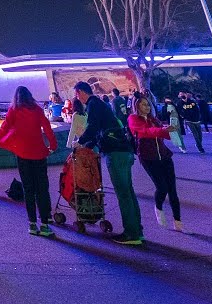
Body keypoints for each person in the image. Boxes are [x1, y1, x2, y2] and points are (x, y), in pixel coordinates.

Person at [76, 81, 142, 245]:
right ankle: (137, 230)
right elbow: (99, 129)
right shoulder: (100, 104)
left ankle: (131, 234)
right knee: (128, 191)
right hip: (124, 150)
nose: (77, 98)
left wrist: (80, 141)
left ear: (81, 92)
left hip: (115, 152)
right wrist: (89, 144)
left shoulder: (92, 104)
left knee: (123, 193)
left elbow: (93, 127)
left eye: (77, 94)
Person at [0, 86, 59, 238]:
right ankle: (45, 224)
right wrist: (53, 146)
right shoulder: (37, 110)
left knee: (28, 189)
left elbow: (4, 128)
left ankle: (32, 224)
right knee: (42, 189)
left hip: (23, 155)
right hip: (39, 154)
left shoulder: (13, 111)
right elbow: (47, 128)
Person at [128, 95, 182, 231]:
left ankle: (178, 222)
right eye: (143, 104)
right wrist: (162, 130)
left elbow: (162, 134)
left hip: (164, 156)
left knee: (173, 190)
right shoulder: (133, 119)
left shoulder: (154, 119)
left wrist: (172, 131)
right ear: (137, 106)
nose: (147, 107)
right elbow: (145, 132)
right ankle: (158, 207)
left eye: (148, 104)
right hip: (149, 157)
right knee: (162, 187)